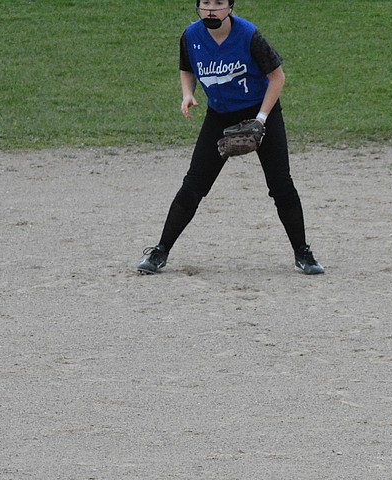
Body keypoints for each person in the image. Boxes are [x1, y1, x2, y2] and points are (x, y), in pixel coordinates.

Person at [136, 0, 323, 276]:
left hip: (261, 112)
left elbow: (277, 78)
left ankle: (303, 254)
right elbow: (187, 68)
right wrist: (188, 94)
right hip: (220, 116)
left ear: (230, 7)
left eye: (219, 3)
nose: (212, 10)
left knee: (281, 185)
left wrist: (261, 120)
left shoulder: (248, 35)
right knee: (193, 185)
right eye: (206, 3)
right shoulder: (191, 36)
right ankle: (160, 252)